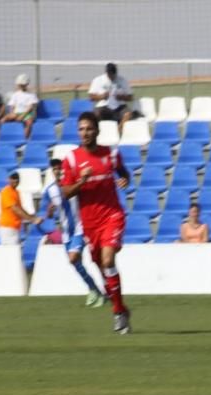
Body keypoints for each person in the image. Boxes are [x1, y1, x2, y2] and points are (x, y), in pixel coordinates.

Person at [60, 112, 132, 334]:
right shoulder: (71, 159)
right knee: (102, 269)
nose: (85, 133)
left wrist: (124, 179)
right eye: (81, 129)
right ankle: (121, 308)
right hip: (89, 224)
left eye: (89, 128)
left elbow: (124, 173)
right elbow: (66, 192)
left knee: (108, 260)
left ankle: (118, 314)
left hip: (112, 215)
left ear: (97, 131)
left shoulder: (110, 155)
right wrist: (82, 180)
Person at [40, 158, 105, 307]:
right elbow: (48, 212)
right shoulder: (50, 190)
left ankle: (99, 289)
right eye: (55, 169)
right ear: (52, 171)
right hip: (66, 233)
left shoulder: (73, 185)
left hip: (80, 228)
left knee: (73, 258)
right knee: (76, 263)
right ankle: (95, 290)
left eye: (60, 168)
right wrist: (50, 211)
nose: (58, 171)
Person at [0, 171, 40, 246]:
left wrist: (32, 217)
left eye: (17, 178)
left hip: (14, 227)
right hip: (8, 228)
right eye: (13, 178)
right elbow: (15, 209)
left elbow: (20, 208)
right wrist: (32, 219)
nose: (16, 180)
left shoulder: (16, 192)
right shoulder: (6, 192)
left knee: (15, 253)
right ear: (8, 179)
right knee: (11, 254)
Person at [88, 63, 134, 128]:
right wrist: (101, 97)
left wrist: (121, 97)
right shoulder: (98, 80)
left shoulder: (122, 80)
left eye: (113, 74)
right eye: (109, 74)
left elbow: (130, 97)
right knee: (95, 115)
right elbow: (90, 97)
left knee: (128, 114)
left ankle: (118, 131)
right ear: (106, 72)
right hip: (103, 106)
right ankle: (97, 133)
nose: (111, 76)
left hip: (120, 106)